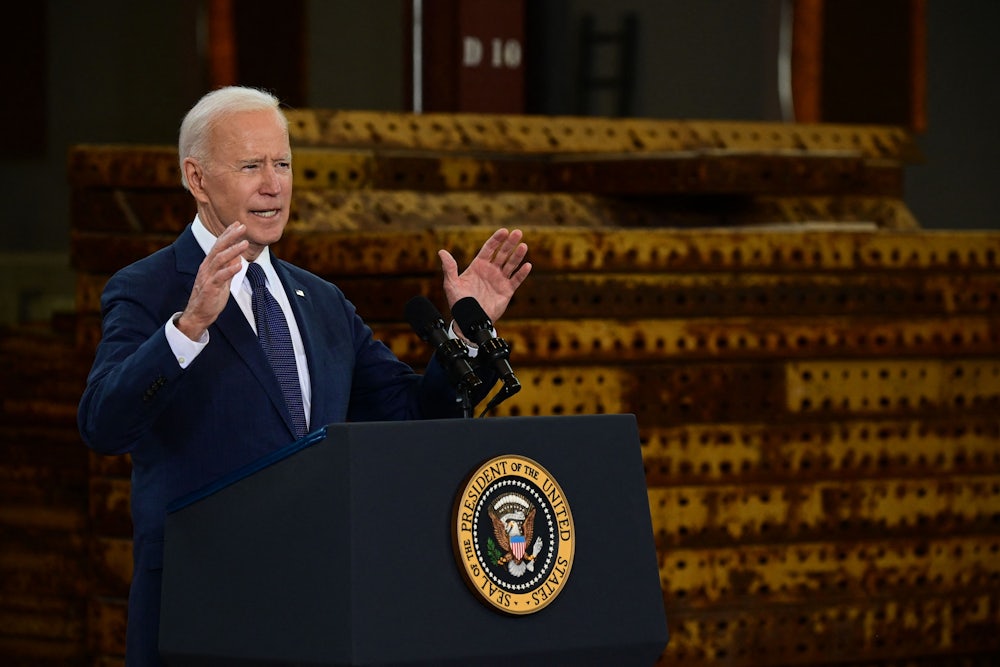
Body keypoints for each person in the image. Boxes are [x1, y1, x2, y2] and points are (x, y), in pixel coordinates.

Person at [77, 85, 531, 666]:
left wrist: (465, 336)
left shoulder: (319, 300)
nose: (274, 185)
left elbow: (411, 412)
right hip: (202, 615)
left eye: (283, 164)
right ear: (197, 179)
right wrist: (187, 329)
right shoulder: (148, 289)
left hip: (317, 610)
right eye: (250, 166)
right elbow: (102, 426)